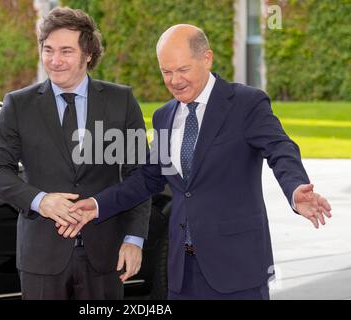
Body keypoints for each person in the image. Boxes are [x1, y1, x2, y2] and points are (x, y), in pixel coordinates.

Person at [63, 24, 332, 300]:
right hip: (182, 271)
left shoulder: (245, 103)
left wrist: (295, 188)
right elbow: (149, 178)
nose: (174, 80)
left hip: (237, 267)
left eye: (182, 70)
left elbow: (280, 149)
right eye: (166, 72)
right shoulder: (164, 116)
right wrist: (97, 205)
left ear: (207, 58)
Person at [0, 7, 151, 300]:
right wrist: (41, 201)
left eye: (65, 51)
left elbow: (140, 175)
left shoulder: (120, 100)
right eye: (48, 50)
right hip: (41, 257)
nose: (54, 60)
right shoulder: (18, 105)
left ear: (88, 53)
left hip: (106, 255)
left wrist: (134, 239)